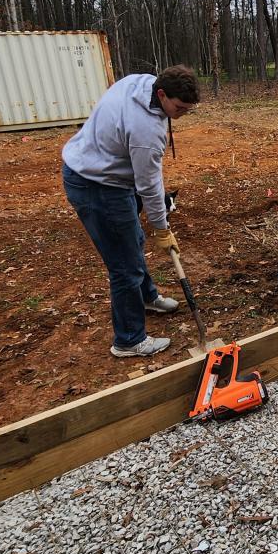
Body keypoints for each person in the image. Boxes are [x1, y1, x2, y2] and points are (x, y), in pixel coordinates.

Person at [62, 65, 200, 357]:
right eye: (179, 108)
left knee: (133, 242)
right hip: (97, 185)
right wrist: (162, 228)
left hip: (105, 171)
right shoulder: (146, 132)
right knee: (125, 266)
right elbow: (149, 186)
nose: (182, 114)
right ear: (161, 94)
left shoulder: (141, 82)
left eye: (188, 109)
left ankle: (147, 297)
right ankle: (128, 340)